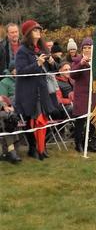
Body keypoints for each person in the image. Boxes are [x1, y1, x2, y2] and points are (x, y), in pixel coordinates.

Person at [15, 19, 57, 160]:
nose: (38, 31)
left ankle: (41, 148)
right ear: (28, 33)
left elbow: (52, 70)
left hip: (42, 90)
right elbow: (20, 72)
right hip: (28, 92)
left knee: (42, 120)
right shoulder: (22, 51)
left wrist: (52, 63)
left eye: (39, 29)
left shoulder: (42, 48)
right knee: (31, 121)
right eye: (34, 30)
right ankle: (33, 148)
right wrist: (37, 63)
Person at [71, 38, 96, 153]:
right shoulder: (77, 60)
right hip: (81, 95)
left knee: (93, 120)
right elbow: (72, 75)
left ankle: (89, 140)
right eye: (85, 48)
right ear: (82, 49)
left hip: (93, 94)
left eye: (89, 48)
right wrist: (81, 64)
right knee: (80, 121)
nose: (87, 50)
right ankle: (78, 143)